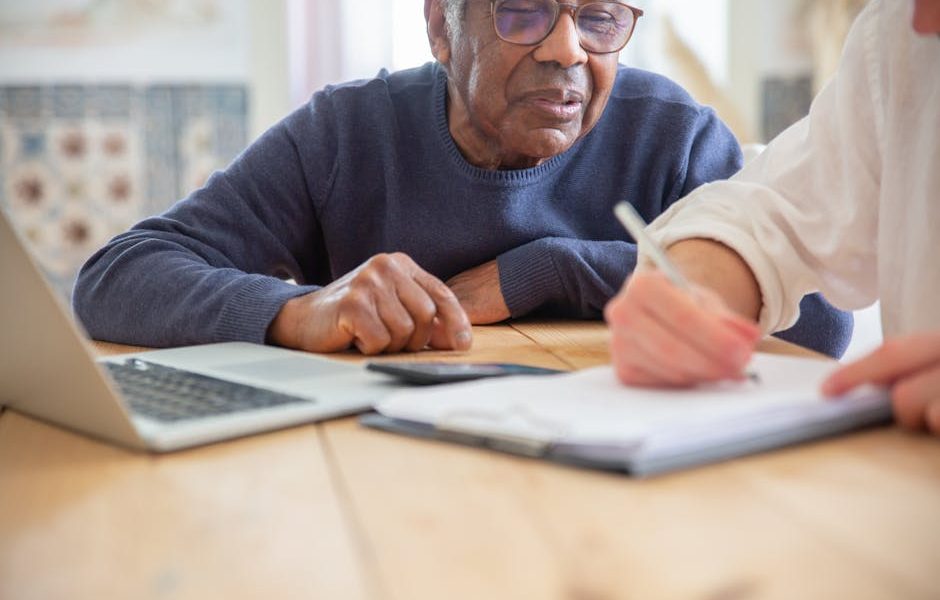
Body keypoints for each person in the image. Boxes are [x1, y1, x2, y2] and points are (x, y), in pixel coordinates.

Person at [74, 0, 850, 356]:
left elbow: (818, 320)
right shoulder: (347, 132)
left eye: (600, 18)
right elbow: (114, 278)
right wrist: (298, 312)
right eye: (523, 13)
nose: (567, 50)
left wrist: (547, 269)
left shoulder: (673, 136)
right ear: (442, 24)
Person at [604, 0, 940, 434]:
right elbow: (765, 212)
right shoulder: (900, 38)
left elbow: (825, 323)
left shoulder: (670, 125)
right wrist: (690, 292)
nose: (919, 15)